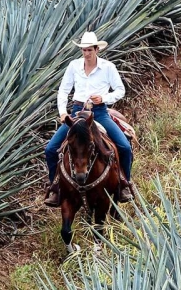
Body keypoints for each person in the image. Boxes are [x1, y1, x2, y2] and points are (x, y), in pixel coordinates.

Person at [44, 31, 135, 207]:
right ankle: (55, 187)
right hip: (77, 112)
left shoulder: (108, 67)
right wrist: (63, 112)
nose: (86, 54)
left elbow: (120, 90)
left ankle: (124, 184)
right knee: (50, 149)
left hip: (99, 112)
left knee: (124, 146)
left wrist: (104, 98)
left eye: (90, 50)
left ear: (96, 50)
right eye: (84, 50)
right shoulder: (73, 66)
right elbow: (63, 90)